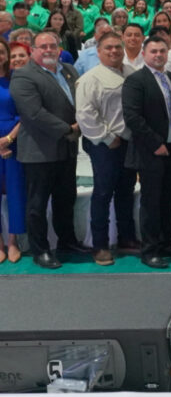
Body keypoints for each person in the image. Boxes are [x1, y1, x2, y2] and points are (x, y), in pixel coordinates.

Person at [10, 31, 86, 269]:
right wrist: (68, 129)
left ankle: (67, 242)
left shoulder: (69, 70)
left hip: (67, 149)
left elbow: (80, 104)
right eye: (43, 46)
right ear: (33, 50)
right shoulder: (23, 76)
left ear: (59, 48)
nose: (49, 50)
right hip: (39, 151)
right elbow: (33, 113)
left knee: (66, 199)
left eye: (53, 46)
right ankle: (40, 250)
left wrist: (81, 125)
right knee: (37, 204)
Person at [122, 36, 171, 269]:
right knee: (151, 202)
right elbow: (132, 117)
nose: (158, 55)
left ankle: (165, 242)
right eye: (154, 51)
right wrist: (155, 143)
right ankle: (149, 250)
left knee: (168, 199)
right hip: (151, 150)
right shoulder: (135, 80)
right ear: (144, 53)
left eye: (162, 51)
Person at [75, 30, 139, 265]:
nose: (114, 51)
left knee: (126, 190)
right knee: (103, 193)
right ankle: (100, 245)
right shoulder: (91, 78)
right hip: (105, 144)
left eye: (117, 47)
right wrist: (105, 137)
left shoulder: (131, 72)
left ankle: (126, 238)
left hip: (129, 142)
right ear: (98, 52)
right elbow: (85, 114)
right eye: (108, 48)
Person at [0, 40, 25, 263]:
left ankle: (13, 241)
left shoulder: (15, 80)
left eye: (1, 52)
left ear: (7, 55)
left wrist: (8, 140)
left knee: (16, 193)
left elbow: (24, 113)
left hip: (14, 141)